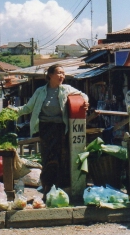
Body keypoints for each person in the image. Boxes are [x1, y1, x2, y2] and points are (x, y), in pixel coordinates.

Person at [12, 64, 89, 198]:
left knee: (61, 158)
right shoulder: (40, 91)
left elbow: (83, 95)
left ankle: (59, 189)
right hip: (45, 129)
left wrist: (85, 102)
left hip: (60, 129)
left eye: (63, 74)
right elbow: (28, 108)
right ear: (50, 75)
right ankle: (47, 188)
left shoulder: (66, 89)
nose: (62, 76)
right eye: (59, 73)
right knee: (47, 158)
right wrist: (13, 111)